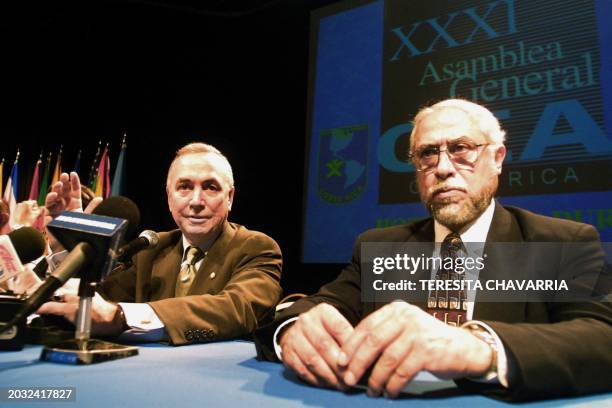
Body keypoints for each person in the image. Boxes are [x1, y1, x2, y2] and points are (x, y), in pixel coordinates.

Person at [254, 99, 612, 401]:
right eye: (428, 154)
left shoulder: (561, 242)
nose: (442, 168)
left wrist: (477, 348)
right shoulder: (378, 247)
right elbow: (316, 307)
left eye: (461, 149)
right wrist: (294, 329)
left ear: (498, 158)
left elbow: (602, 337)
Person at [39, 142, 283, 345]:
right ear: (169, 198)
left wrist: (123, 317)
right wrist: (71, 252)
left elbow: (237, 309)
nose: (196, 201)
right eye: (184, 187)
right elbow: (93, 304)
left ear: (229, 198)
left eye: (210, 187)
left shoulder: (256, 248)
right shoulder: (151, 248)